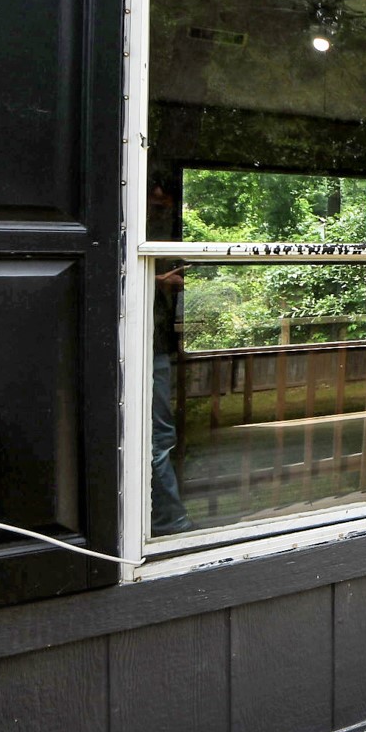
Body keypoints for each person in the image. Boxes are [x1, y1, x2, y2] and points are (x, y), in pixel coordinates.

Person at [148, 181, 193, 535]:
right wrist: (158, 281)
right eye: (157, 201)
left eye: (167, 203)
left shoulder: (159, 238)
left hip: (157, 348)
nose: (163, 208)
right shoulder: (130, 230)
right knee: (156, 439)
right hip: (141, 351)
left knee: (160, 437)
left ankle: (165, 520)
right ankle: (169, 523)